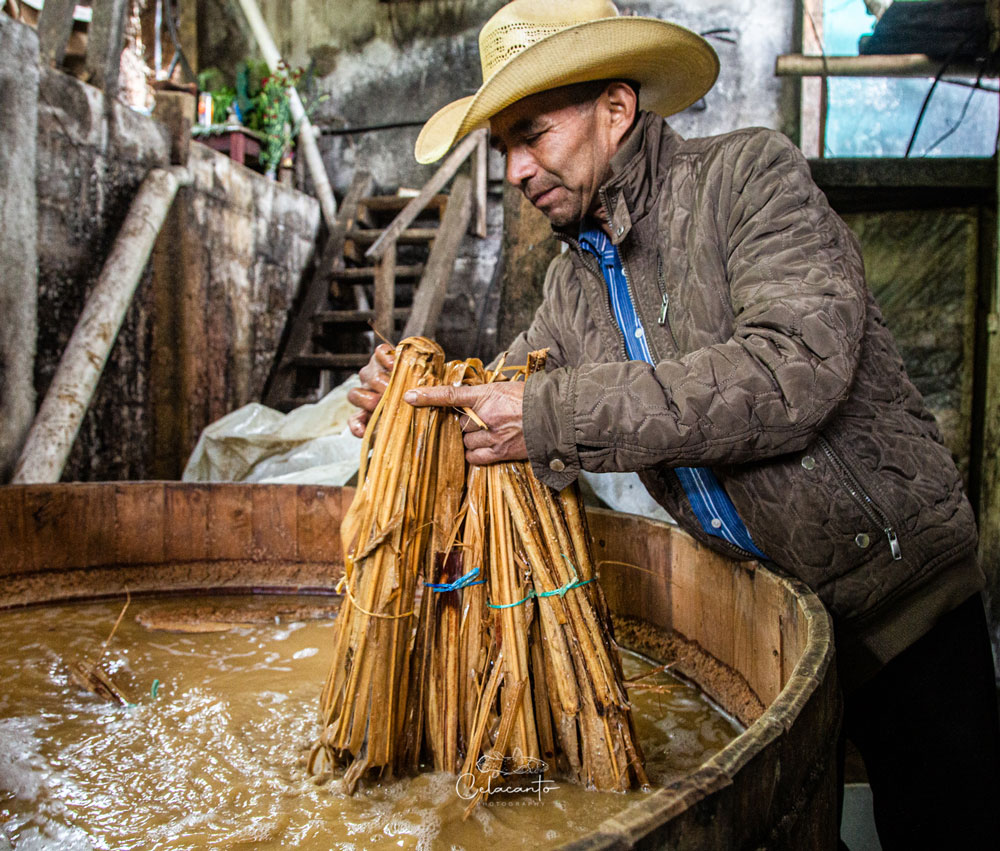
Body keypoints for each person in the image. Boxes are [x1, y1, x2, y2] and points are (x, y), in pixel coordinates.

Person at [347, 1, 1000, 847]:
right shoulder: (570, 288)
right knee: (801, 828)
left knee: (953, 828)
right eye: (503, 146)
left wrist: (545, 413)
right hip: (764, 625)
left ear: (616, 110)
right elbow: (502, 397)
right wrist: (413, 403)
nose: (514, 169)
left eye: (532, 133)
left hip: (899, 599)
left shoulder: (746, 178)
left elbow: (789, 369)